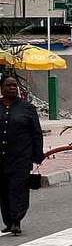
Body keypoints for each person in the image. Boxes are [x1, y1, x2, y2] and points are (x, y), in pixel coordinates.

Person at [0, 76, 44, 236]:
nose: (12, 88)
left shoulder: (27, 108)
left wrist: (38, 154)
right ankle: (8, 221)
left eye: (14, 85)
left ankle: (16, 220)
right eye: (8, 85)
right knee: (3, 191)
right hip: (2, 158)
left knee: (18, 189)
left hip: (21, 158)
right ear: (1, 88)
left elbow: (36, 133)